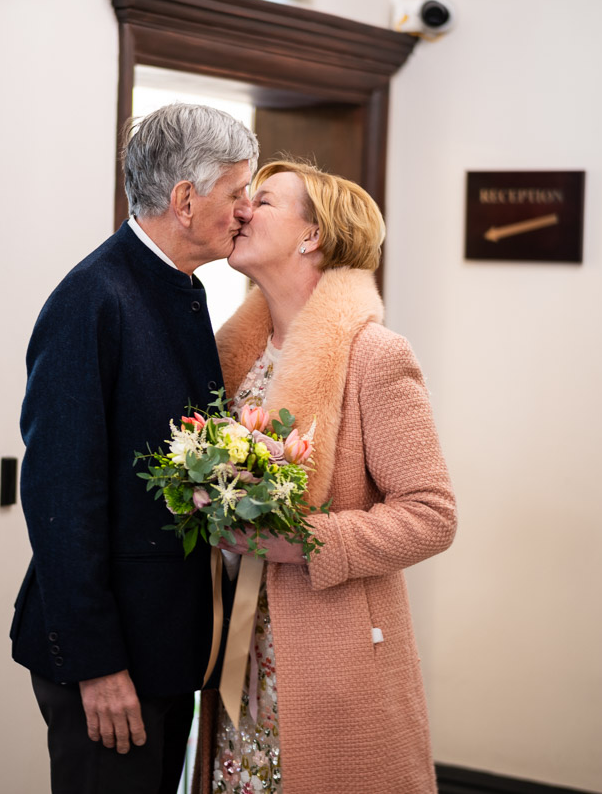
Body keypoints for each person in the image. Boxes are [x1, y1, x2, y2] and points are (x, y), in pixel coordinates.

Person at [11, 103, 258, 794]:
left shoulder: (182, 289)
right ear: (185, 200)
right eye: (238, 192)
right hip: (109, 657)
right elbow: (61, 495)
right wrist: (97, 663)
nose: (247, 210)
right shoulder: (93, 298)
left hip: (164, 645)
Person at [193, 160, 457, 793]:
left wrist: (307, 542)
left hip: (328, 653)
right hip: (231, 647)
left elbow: (433, 514)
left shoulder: (376, 356)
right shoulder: (234, 355)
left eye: (264, 201)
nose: (243, 211)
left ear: (312, 235)